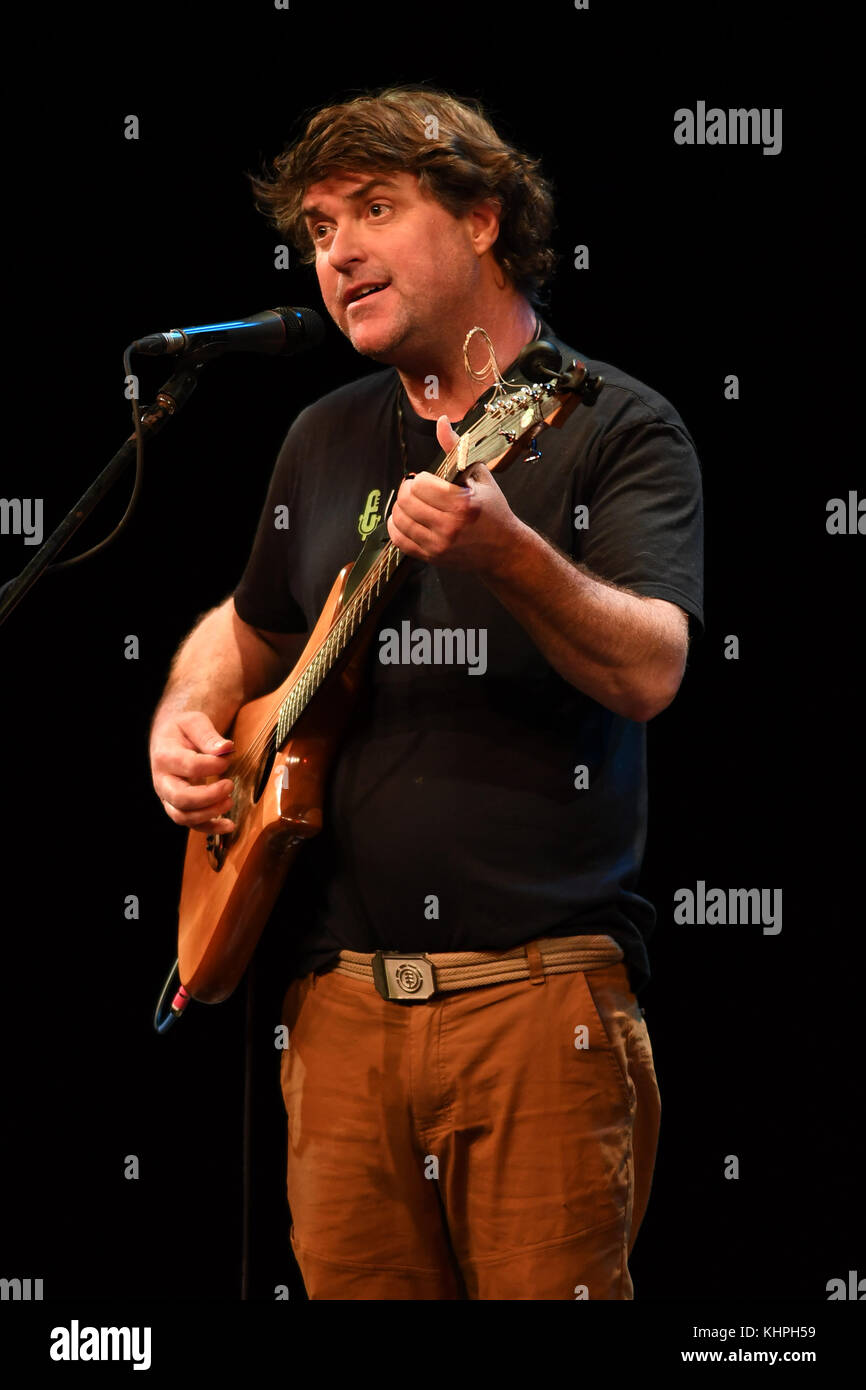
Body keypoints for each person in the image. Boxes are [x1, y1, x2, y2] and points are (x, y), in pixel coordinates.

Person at [149, 85, 704, 1300]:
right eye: (316, 230)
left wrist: (507, 551)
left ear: (484, 219)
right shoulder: (322, 436)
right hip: (335, 1015)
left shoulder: (609, 425)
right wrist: (182, 724)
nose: (334, 252)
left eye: (373, 210)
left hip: (536, 1009)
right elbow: (240, 634)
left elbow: (652, 664)